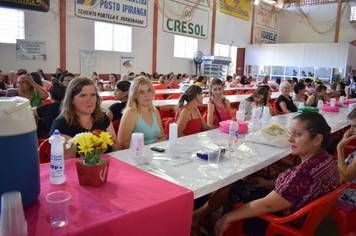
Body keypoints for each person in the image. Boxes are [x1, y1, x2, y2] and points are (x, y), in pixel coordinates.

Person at [192, 112, 339, 236]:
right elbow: (299, 188)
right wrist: (268, 182)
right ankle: (203, 216)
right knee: (237, 184)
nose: (289, 139)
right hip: (297, 215)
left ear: (317, 139)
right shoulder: (325, 160)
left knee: (233, 187)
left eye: (298, 134)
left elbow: (268, 205)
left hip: (278, 223)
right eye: (291, 133)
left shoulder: (305, 172)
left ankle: (210, 219)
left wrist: (229, 217)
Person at [49, 77, 120, 159]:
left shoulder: (102, 118)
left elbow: (117, 150)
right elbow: (68, 165)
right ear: (71, 100)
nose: (89, 100)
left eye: (93, 95)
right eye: (83, 96)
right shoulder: (62, 125)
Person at [118, 76, 166, 149]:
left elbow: (162, 137)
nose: (146, 95)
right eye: (141, 92)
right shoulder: (130, 113)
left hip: (155, 153)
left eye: (149, 90)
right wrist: (150, 147)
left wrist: (152, 148)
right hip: (136, 155)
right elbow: (122, 143)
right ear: (134, 95)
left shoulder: (155, 111)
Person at [334, 108, 356, 211]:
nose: (351, 130)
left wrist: (340, 148)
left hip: (349, 196)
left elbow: (345, 178)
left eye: (354, 126)